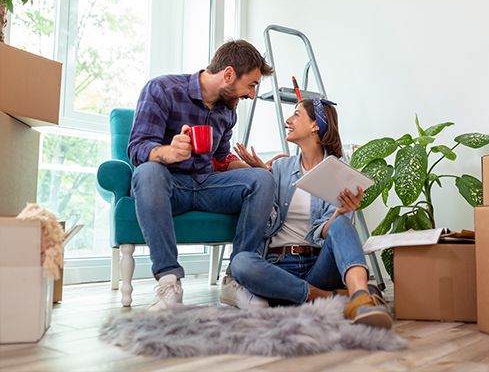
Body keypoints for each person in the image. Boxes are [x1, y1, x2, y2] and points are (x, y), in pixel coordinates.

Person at [128, 40, 278, 311]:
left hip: (207, 186)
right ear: (229, 75)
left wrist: (257, 171)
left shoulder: (227, 111)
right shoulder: (162, 90)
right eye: (252, 84)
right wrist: (169, 152)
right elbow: (137, 148)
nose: (252, 94)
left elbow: (221, 158)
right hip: (170, 186)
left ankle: (237, 280)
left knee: (262, 179)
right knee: (147, 171)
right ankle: (169, 282)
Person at [231, 98, 393, 329]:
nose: (288, 120)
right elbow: (262, 219)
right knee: (241, 263)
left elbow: (329, 232)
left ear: (315, 125)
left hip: (319, 267)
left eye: (296, 115)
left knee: (341, 224)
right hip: (277, 267)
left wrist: (339, 212)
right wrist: (262, 176)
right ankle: (329, 298)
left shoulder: (338, 172)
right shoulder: (279, 168)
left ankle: (360, 298)